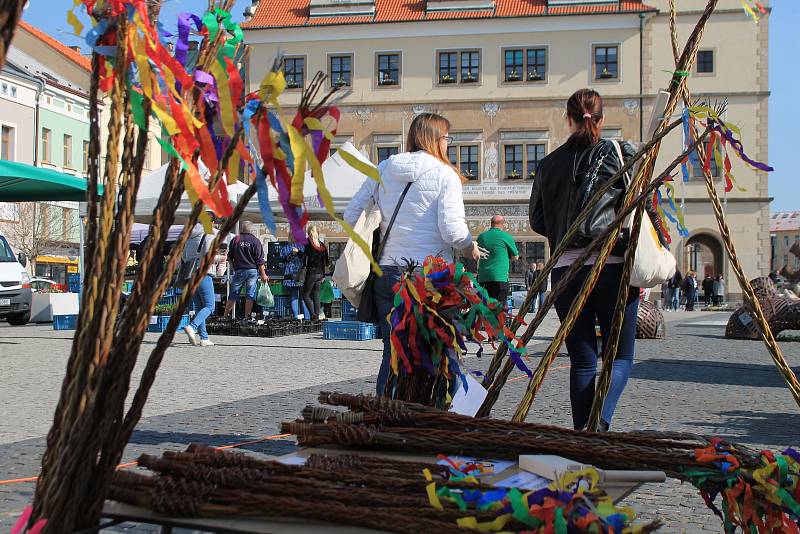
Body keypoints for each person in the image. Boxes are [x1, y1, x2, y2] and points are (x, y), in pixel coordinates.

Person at [528, 88, 665, 431]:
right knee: (619, 357)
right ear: (601, 119)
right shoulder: (621, 155)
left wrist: (565, 231)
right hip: (612, 265)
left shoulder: (548, 164)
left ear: (568, 119)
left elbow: (537, 221)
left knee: (583, 361)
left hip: (565, 271)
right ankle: (598, 420)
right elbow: (641, 204)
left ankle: (582, 435)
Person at [344, 112, 481, 397]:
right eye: (447, 139)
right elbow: (453, 232)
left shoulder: (383, 168)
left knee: (394, 354)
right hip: (431, 279)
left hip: (388, 274)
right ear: (436, 140)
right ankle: (447, 420)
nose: (448, 144)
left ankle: (385, 417)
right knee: (444, 353)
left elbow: (351, 214)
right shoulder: (445, 174)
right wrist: (471, 247)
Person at [183, 224, 223, 347]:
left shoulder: (190, 235)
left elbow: (184, 256)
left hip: (190, 274)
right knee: (210, 306)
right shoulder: (209, 233)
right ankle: (192, 326)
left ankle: (204, 337)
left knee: (200, 306)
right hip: (203, 272)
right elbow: (208, 255)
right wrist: (220, 258)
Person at [223, 220, 268, 318]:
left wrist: (234, 268)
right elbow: (260, 260)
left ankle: (225, 316)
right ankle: (247, 317)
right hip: (252, 271)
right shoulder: (255, 241)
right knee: (250, 295)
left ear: (241, 229)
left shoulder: (235, 240)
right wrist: (263, 274)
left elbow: (229, 258)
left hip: (239, 270)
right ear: (251, 230)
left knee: (233, 294)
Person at [477, 216, 519, 309]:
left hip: (483, 277)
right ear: (502, 224)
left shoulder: (481, 236)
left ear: (491, 223)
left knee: (485, 307)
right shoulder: (506, 236)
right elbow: (515, 257)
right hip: (499, 277)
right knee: (499, 308)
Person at [302, 225, 329, 320]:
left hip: (312, 273)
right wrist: (324, 275)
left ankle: (313, 316)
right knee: (316, 294)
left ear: (309, 233)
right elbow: (326, 261)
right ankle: (317, 316)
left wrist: (297, 252)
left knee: (305, 295)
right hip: (320, 273)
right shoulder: (322, 245)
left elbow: (304, 257)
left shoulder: (308, 244)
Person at [280, 234, 309, 319]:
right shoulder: (304, 248)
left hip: (290, 277)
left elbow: (281, 264)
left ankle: (296, 318)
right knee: (304, 297)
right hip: (302, 276)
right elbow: (306, 261)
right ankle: (307, 319)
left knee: (294, 296)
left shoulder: (284, 249)